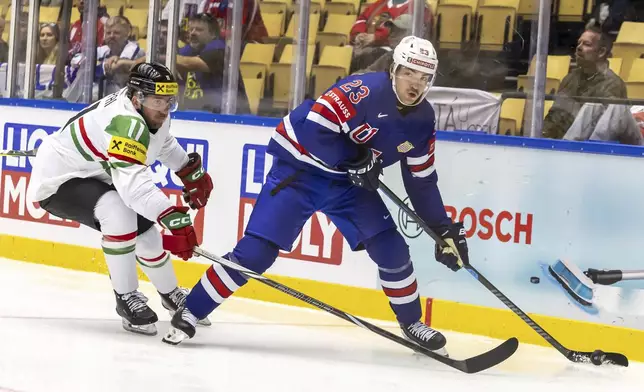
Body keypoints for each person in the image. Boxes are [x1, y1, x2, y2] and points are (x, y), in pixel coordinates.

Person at [162, 36, 469, 354]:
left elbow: (421, 180)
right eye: (409, 73)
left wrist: (441, 229)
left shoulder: (423, 120)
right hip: (301, 171)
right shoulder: (361, 90)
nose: (415, 84)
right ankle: (191, 310)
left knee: (392, 249)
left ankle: (412, 324)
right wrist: (353, 158)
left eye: (424, 78)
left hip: (348, 184)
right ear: (394, 70)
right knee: (256, 253)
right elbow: (313, 127)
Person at [26, 63, 214, 336]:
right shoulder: (123, 123)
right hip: (60, 180)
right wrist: (175, 219)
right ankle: (126, 299)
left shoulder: (151, 111)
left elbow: (161, 142)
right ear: (136, 98)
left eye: (169, 101)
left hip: (95, 172)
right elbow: (134, 189)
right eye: (157, 101)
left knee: (146, 234)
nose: (164, 108)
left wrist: (187, 168)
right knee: (118, 211)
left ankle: (171, 293)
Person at [542, 26, 637, 143]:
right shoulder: (570, 78)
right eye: (579, 43)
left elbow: (605, 131)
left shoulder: (613, 84)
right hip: (559, 147)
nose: (579, 48)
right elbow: (555, 116)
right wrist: (543, 141)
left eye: (586, 44)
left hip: (587, 152)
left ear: (601, 52)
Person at [97, 16, 146, 95]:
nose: (111, 36)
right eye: (108, 33)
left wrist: (121, 62)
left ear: (126, 34)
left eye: (116, 33)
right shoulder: (105, 50)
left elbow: (117, 66)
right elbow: (83, 60)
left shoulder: (133, 49)